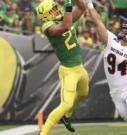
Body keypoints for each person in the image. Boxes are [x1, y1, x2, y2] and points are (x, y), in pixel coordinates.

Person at [85, 0, 127, 135]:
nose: (122, 31)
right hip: (115, 93)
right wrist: (89, 4)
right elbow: (98, 21)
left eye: (126, 30)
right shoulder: (111, 41)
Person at [36, 0, 89, 135]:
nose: (55, 11)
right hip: (68, 71)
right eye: (52, 10)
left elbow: (82, 7)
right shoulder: (47, 26)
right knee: (66, 104)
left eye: (55, 8)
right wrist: (68, 6)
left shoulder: (64, 18)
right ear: (45, 16)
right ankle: (43, 133)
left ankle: (67, 115)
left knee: (83, 93)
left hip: (80, 68)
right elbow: (65, 27)